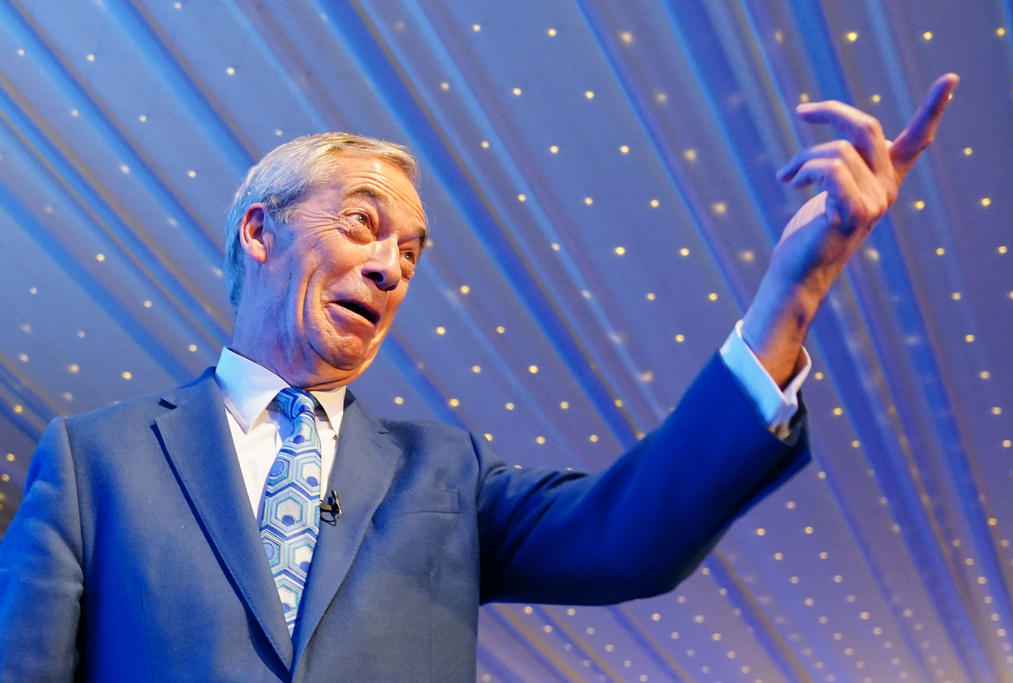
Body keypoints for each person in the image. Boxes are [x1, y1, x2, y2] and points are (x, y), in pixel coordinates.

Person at [0, 74, 959, 681]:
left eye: (411, 255)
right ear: (260, 229)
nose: (390, 268)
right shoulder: (96, 462)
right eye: (364, 225)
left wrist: (793, 296)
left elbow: (632, 537)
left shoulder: (442, 476)